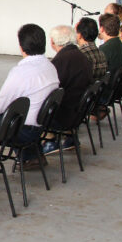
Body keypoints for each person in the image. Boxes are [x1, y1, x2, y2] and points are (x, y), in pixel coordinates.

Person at [0, 24, 59, 168]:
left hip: (24, 131)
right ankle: (32, 156)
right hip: (43, 126)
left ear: (21, 46)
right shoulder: (50, 67)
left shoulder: (21, 72)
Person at [42, 25, 93, 155]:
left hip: (65, 115)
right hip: (80, 112)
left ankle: (50, 140)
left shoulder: (61, 61)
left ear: (53, 42)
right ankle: (70, 138)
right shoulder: (82, 57)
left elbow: (50, 91)